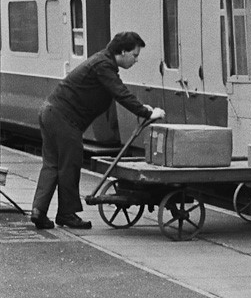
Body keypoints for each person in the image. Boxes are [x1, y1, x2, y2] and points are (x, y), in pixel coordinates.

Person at [30, 32, 165, 230]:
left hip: (50, 112)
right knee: (70, 165)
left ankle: (39, 211)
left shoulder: (102, 62)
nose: (136, 60)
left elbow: (117, 91)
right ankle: (67, 214)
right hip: (64, 119)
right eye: (135, 55)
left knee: (51, 164)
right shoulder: (104, 65)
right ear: (123, 51)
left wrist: (142, 108)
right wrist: (146, 112)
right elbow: (120, 93)